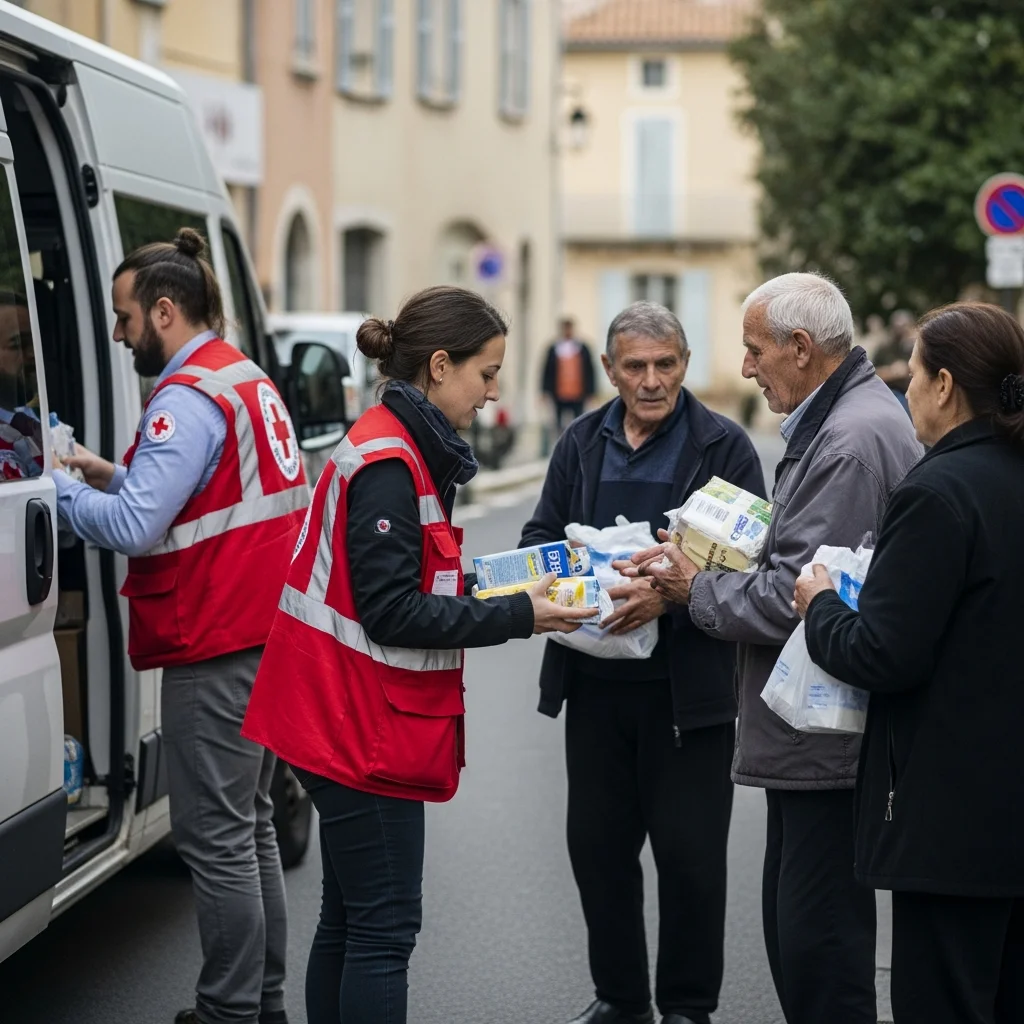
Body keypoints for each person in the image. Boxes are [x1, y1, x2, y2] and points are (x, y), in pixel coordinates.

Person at [240, 286, 597, 1024]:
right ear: (440, 366)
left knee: (350, 918)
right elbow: (393, 609)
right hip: (352, 723)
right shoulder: (389, 462)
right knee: (384, 929)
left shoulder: (394, 445)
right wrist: (521, 615)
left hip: (334, 711)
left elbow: (402, 576)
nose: (494, 392)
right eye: (486, 372)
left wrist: (495, 582)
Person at [622, 273, 922, 1024]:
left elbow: (800, 592)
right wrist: (699, 559)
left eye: (755, 351)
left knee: (816, 950)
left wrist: (694, 591)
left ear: (799, 347)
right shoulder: (845, 421)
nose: (748, 368)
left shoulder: (848, 441)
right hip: (811, 732)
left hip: (823, 733)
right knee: (801, 936)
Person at [53, 228, 309, 1024]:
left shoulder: (185, 396)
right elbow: (202, 492)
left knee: (218, 840)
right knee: (253, 829)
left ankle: (229, 1011)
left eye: (126, 318)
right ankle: (259, 1003)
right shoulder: (241, 378)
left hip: (217, 641)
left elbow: (135, 527)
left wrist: (50, 490)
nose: (121, 334)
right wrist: (108, 470)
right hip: (264, 632)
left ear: (164, 311)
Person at [522, 301, 765, 1024]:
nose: (652, 380)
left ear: (685, 364)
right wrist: (587, 576)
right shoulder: (580, 442)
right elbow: (541, 535)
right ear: (609, 369)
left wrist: (666, 598)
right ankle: (620, 999)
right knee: (597, 852)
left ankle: (688, 1006)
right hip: (594, 687)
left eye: (666, 365)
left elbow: (752, 566)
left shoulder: (724, 446)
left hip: (688, 694)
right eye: (635, 366)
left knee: (690, 860)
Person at [794, 302, 1024, 1024]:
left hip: (952, 814)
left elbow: (883, 652)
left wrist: (821, 603)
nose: (908, 393)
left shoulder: (937, 492)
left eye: (915, 375)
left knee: (943, 1001)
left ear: (946, 384)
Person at [542, 316, 596, 436]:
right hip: (559, 393)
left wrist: (591, 391)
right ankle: (561, 445)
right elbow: (546, 371)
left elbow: (590, 370)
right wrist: (545, 391)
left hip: (578, 393)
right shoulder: (553, 349)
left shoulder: (583, 348)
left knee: (579, 421)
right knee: (558, 423)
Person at [873, 309, 917, 412]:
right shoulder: (884, 348)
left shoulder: (915, 347)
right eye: (898, 327)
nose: (901, 331)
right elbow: (871, 372)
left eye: (904, 327)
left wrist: (906, 369)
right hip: (889, 393)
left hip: (910, 394)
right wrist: (891, 371)